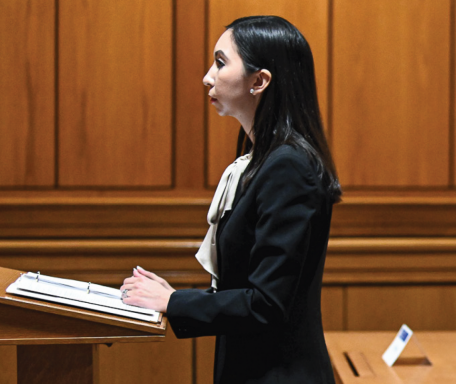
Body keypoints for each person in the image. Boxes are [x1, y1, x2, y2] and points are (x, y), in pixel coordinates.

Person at [120, 15, 341, 384]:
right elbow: (244, 286)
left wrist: (174, 302)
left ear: (260, 81)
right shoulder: (262, 161)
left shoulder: (288, 167)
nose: (208, 76)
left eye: (221, 63)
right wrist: (174, 298)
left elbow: (268, 304)